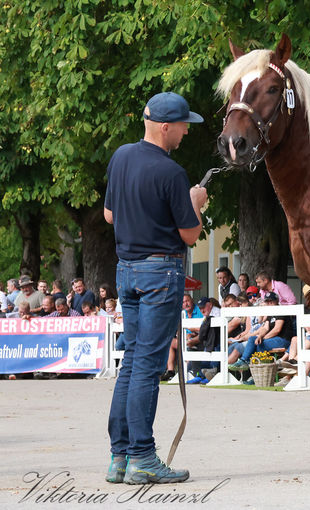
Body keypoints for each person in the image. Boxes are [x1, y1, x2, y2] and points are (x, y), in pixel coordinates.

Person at [103, 91, 207, 484]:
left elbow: (111, 215)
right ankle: (143, 457)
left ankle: (120, 456)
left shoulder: (121, 157)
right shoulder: (172, 173)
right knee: (147, 366)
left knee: (131, 363)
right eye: (183, 125)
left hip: (126, 271)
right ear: (165, 126)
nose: (185, 131)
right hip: (160, 273)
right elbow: (191, 233)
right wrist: (196, 200)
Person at [162, 294, 203, 382]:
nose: (186, 304)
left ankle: (186, 371)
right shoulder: (181, 313)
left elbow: (203, 328)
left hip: (198, 339)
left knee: (187, 344)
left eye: (187, 301)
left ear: (192, 301)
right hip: (184, 339)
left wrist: (192, 333)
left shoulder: (199, 310)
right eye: (183, 302)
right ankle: (170, 371)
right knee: (170, 342)